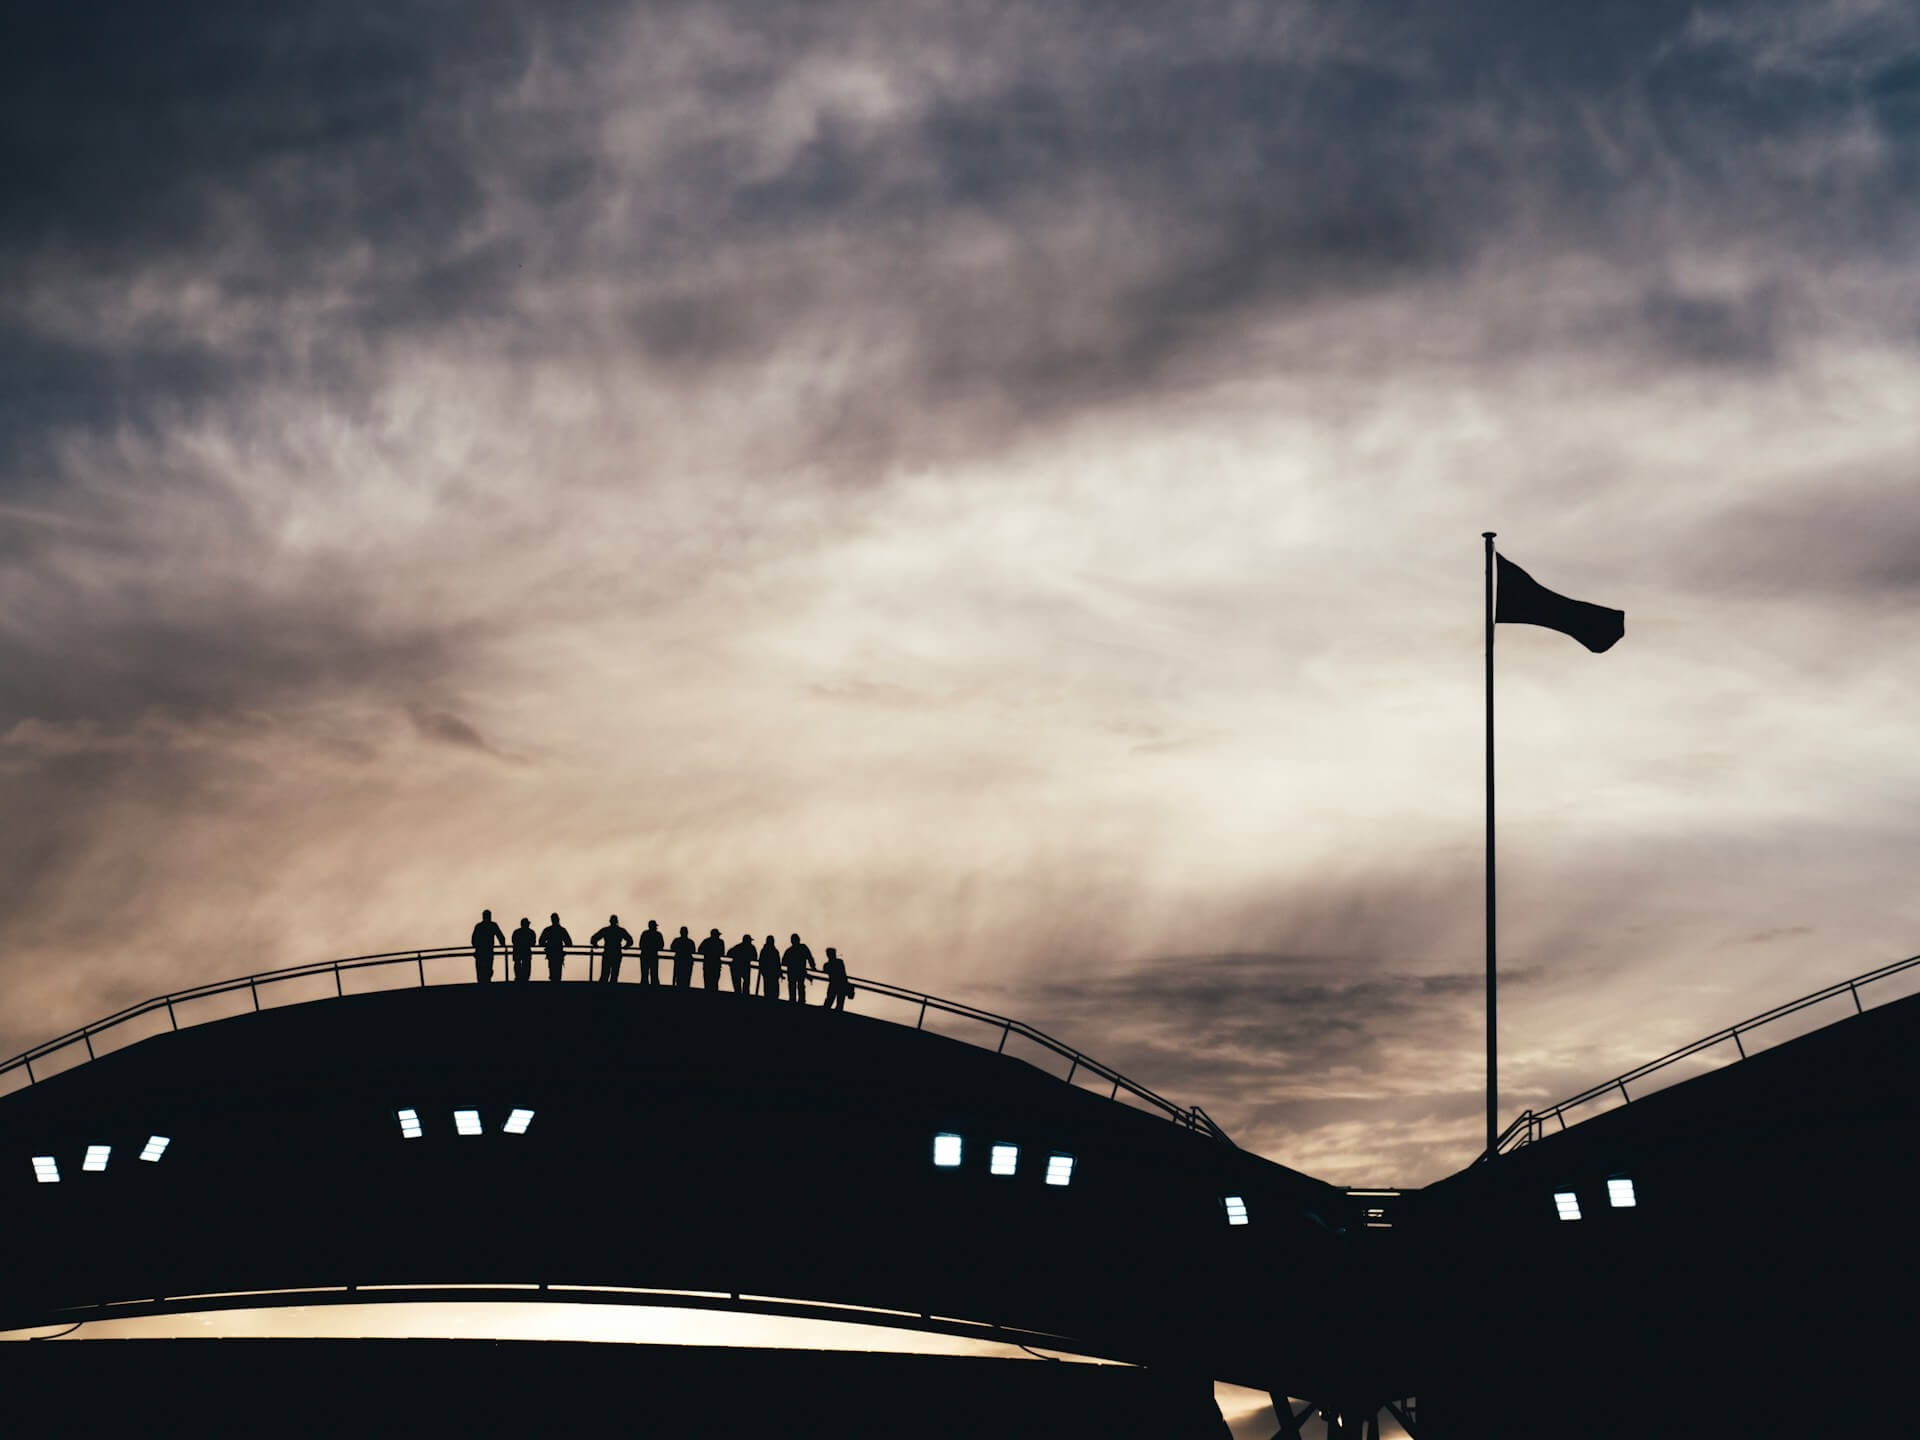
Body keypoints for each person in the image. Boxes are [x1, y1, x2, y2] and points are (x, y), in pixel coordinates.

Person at [591, 915, 633, 983]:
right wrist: (626, 946)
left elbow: (593, 939)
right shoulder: (620, 930)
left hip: (607, 953)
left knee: (604, 974)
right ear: (617, 922)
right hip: (617, 953)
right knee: (614, 975)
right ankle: (612, 990)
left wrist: (595, 945)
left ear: (610, 921)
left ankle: (602, 990)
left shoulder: (606, 930)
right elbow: (630, 941)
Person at [471, 909, 506, 984]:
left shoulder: (479, 926)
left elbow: (473, 940)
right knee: (488, 968)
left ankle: (482, 984)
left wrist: (477, 946)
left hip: (480, 951)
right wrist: (503, 945)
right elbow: (500, 937)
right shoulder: (492, 925)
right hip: (488, 951)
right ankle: (486, 983)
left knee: (480, 970)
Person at [538, 913, 573, 983]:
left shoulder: (548, 930)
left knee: (552, 972)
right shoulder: (562, 930)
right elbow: (569, 943)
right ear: (558, 919)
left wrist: (547, 945)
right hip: (558, 954)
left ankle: (553, 987)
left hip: (551, 953)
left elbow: (541, 942)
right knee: (558, 973)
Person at [783, 933, 813, 1004]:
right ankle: (801, 1001)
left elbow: (784, 962)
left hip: (792, 971)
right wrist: (813, 967)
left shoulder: (789, 950)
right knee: (800, 986)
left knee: (792, 986)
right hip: (801, 971)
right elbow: (809, 958)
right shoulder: (803, 948)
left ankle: (793, 1000)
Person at [637, 920, 665, 985]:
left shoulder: (645, 933)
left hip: (644, 955)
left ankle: (644, 989)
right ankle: (654, 989)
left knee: (644, 974)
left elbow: (641, 945)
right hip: (653, 955)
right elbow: (661, 945)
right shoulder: (658, 934)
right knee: (654, 973)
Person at [510, 917, 536, 983]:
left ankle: (518, 977)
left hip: (517, 951)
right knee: (526, 964)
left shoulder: (516, 932)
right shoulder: (531, 932)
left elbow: (513, 941)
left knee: (517, 964)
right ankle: (525, 978)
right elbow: (533, 943)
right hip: (526, 951)